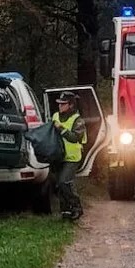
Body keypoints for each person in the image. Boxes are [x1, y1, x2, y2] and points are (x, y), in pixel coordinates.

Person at [52, 92, 87, 220]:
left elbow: (74, 138)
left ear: (70, 105)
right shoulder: (55, 116)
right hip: (58, 156)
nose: (60, 106)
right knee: (59, 184)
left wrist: (61, 129)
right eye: (59, 104)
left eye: (63, 104)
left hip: (72, 157)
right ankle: (65, 211)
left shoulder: (78, 120)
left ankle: (77, 207)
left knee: (64, 182)